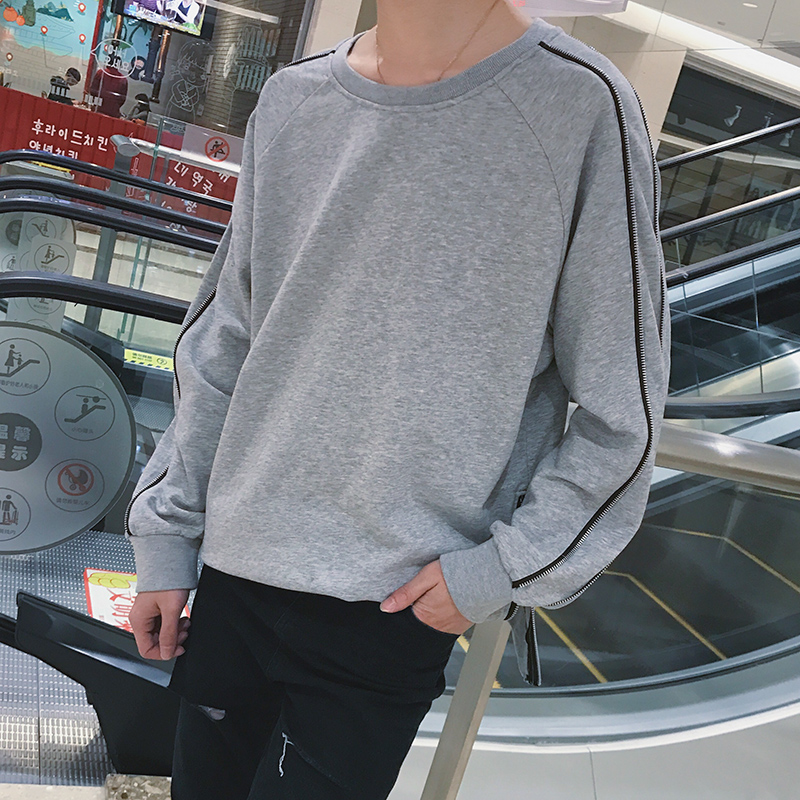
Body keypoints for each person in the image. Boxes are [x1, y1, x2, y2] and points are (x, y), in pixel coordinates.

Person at [125, 1, 670, 798]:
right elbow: (224, 342)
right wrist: (168, 535)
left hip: (392, 604)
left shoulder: (582, 106)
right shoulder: (293, 100)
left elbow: (625, 410)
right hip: (236, 573)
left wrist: (505, 568)